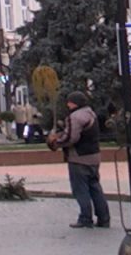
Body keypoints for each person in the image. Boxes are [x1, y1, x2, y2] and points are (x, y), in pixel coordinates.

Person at [48, 91, 109, 229]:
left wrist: (56, 142)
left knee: (81, 190)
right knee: (95, 188)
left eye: (69, 102)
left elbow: (71, 138)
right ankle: (104, 218)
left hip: (79, 157)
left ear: (74, 102)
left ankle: (85, 218)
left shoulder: (75, 117)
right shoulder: (90, 113)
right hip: (94, 156)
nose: (67, 104)